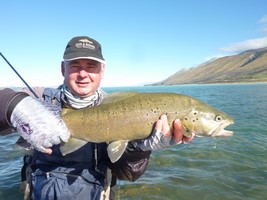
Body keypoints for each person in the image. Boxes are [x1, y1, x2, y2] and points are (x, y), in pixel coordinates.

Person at [0, 36, 194, 200]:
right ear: (62, 69)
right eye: (75, 66)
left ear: (102, 71)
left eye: (91, 66)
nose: (83, 74)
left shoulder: (122, 109)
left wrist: (140, 149)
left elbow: (126, 173)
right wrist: (14, 105)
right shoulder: (38, 99)